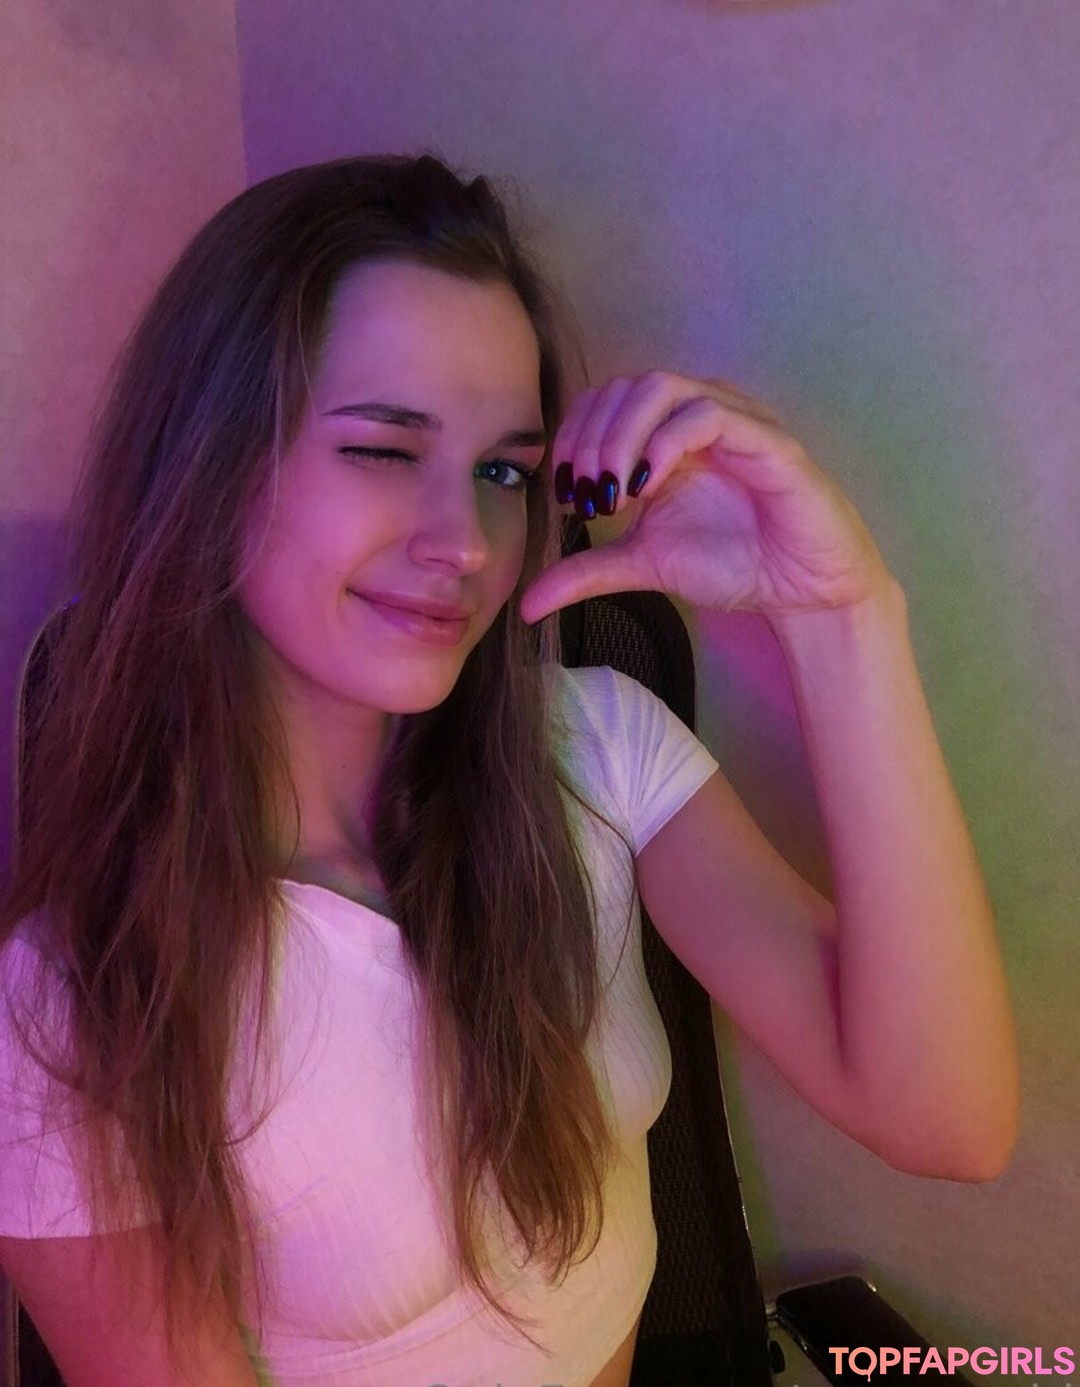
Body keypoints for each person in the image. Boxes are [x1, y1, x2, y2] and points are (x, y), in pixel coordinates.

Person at [0, 152, 1018, 1387]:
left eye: (502, 472)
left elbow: (946, 1119)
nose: (466, 544)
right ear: (208, 464)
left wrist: (840, 615)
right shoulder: (73, 1002)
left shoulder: (593, 749)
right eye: (385, 449)